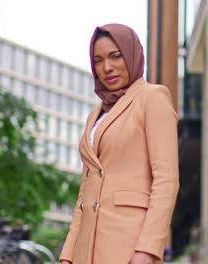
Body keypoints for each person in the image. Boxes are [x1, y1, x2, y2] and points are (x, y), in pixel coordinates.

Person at [59, 23, 179, 264]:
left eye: (115, 56)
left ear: (131, 54)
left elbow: (166, 179)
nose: (107, 68)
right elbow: (85, 193)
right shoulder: (95, 116)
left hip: (130, 244)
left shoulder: (152, 98)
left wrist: (148, 248)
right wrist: (68, 255)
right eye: (98, 60)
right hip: (88, 247)